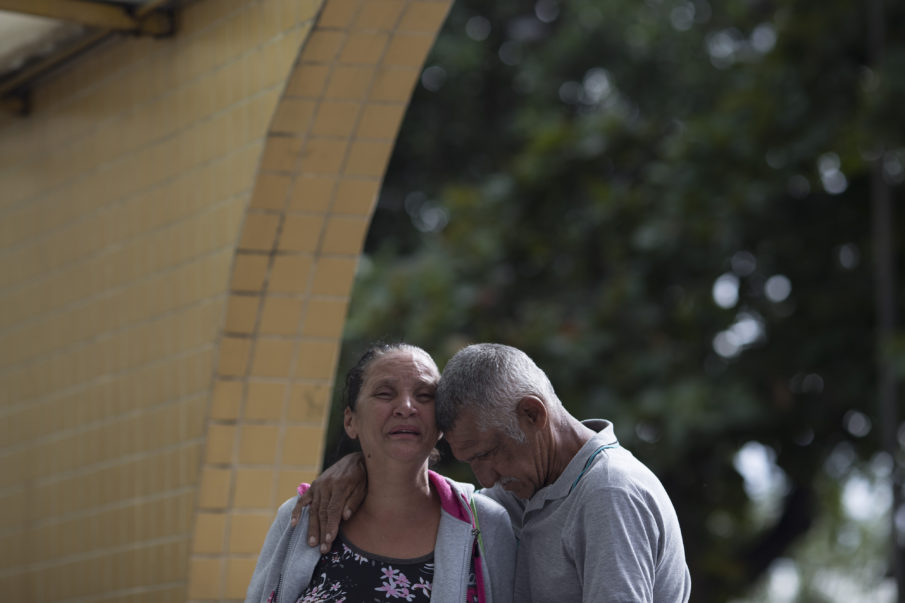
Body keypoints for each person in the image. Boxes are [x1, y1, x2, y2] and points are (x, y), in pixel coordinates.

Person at [297, 343, 692, 603]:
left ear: (532, 414)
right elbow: (450, 504)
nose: (486, 479)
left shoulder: (609, 493)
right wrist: (361, 467)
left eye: (487, 453)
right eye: (471, 461)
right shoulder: (531, 488)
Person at [245, 343, 517, 603]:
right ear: (350, 421)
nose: (406, 407)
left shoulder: (485, 524)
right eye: (385, 394)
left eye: (424, 396)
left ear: (441, 422)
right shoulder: (303, 518)